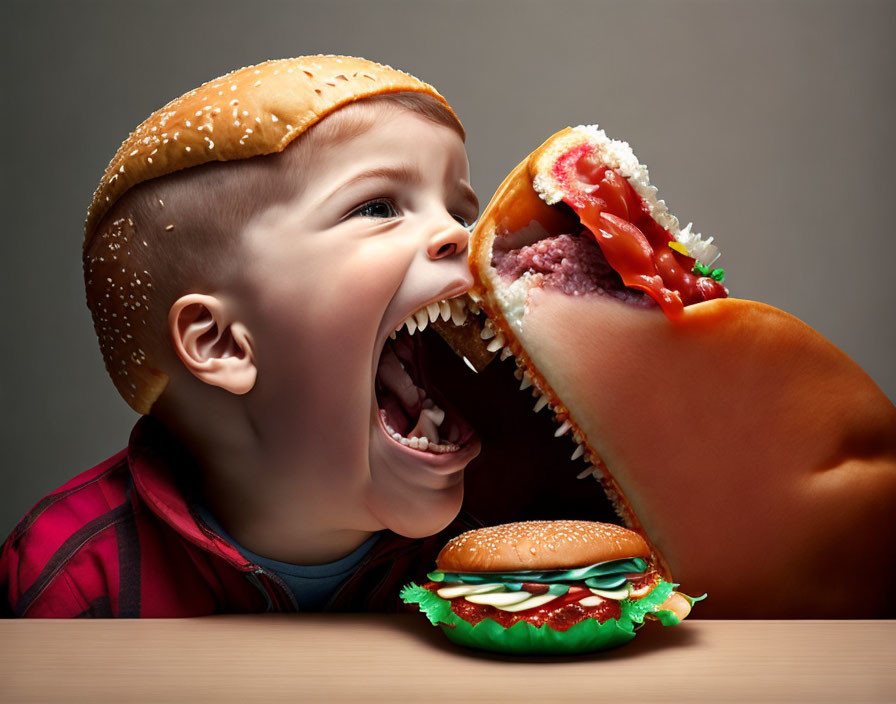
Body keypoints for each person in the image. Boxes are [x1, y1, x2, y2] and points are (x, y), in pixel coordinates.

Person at [1, 55, 485, 617]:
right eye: (377, 207)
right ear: (221, 344)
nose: (459, 235)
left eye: (460, 212)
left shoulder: (507, 548)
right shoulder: (73, 576)